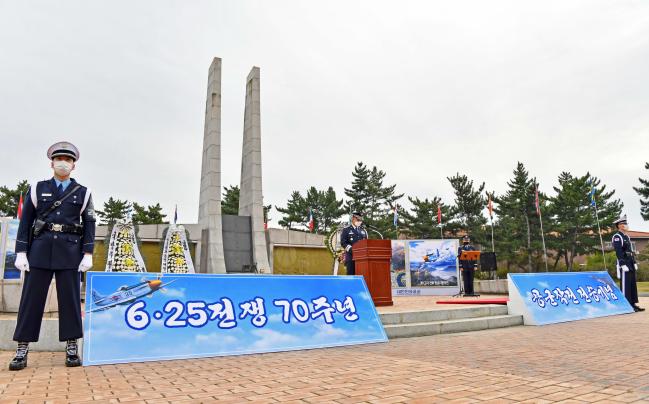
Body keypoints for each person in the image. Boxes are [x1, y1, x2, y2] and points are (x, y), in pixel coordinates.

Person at [9, 142, 96, 371]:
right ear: (51, 163)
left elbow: (89, 223)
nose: (63, 163)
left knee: (70, 301)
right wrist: (21, 252)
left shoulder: (83, 192)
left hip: (70, 253)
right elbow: (26, 221)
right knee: (31, 301)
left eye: (68, 160)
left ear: (73, 165)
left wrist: (87, 253)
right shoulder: (37, 188)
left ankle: (71, 346)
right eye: (59, 159)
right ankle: (22, 348)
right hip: (39, 252)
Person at [612, 215, 644, 312]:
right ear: (619, 226)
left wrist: (634, 262)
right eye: (623, 224)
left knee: (632, 284)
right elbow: (618, 251)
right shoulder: (617, 237)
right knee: (626, 285)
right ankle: (626, 305)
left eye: (626, 223)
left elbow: (630, 250)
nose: (626, 225)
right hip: (624, 262)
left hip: (630, 261)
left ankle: (633, 304)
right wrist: (622, 264)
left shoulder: (626, 236)